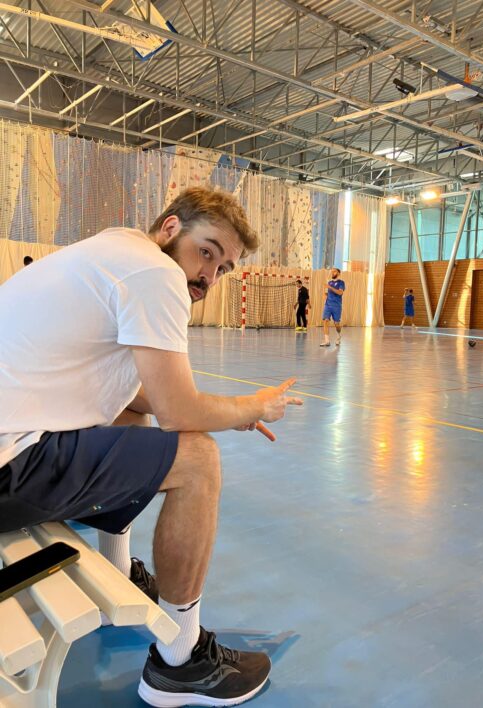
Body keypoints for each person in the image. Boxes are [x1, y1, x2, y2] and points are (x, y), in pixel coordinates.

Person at [0, 187, 303, 707]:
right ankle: (180, 663)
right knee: (199, 460)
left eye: (224, 267)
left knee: (130, 409)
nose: (209, 275)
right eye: (206, 251)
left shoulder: (114, 251)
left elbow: (142, 397)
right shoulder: (156, 273)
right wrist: (251, 407)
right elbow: (179, 412)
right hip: (10, 463)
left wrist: (232, 410)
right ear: (169, 229)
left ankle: (117, 569)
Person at [320, 267, 345, 347]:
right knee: (325, 321)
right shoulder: (329, 282)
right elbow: (326, 293)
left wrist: (330, 287)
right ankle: (327, 341)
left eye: (334, 271)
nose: (332, 272)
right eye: (332, 271)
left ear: (338, 273)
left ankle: (339, 335)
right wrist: (325, 296)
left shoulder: (341, 282)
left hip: (337, 306)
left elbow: (340, 293)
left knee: (336, 324)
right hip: (328, 305)